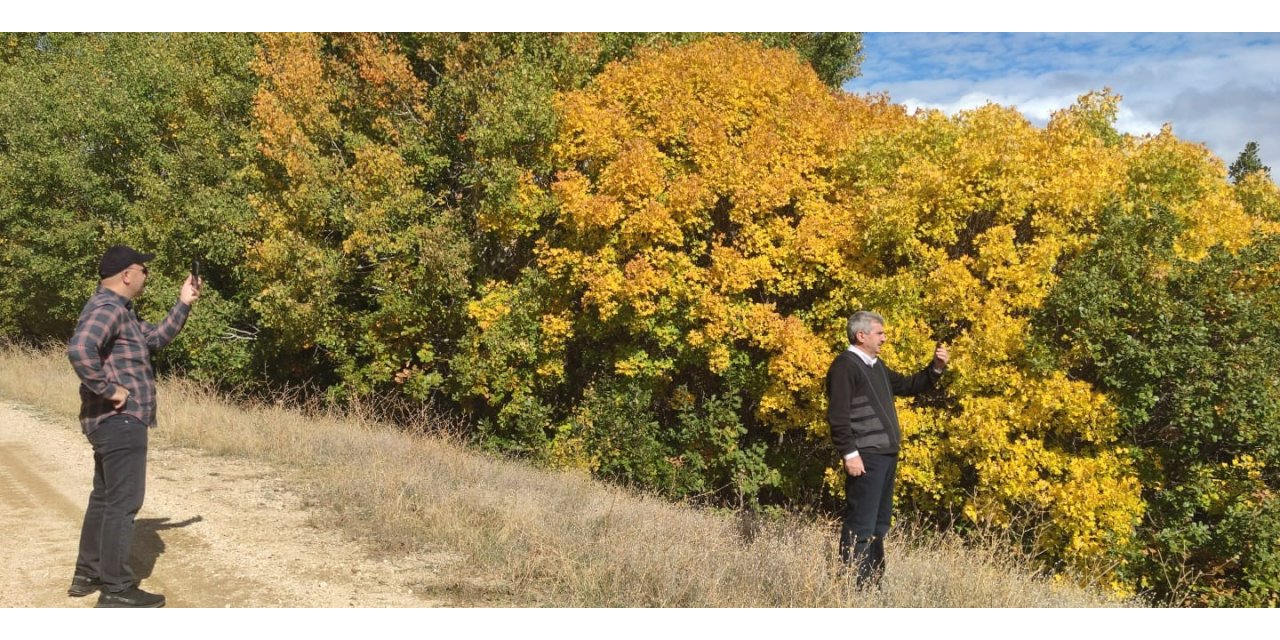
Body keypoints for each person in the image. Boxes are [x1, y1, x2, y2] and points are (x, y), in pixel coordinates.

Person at [66, 245, 200, 608]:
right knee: (123, 503)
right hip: (120, 421)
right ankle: (116, 589)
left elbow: (154, 338)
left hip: (110, 423)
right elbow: (80, 350)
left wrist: (183, 302)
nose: (146, 275)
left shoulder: (120, 312)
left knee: (105, 499)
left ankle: (87, 574)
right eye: (144, 269)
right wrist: (110, 389)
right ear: (127, 275)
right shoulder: (108, 309)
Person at [826, 310, 948, 588]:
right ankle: (851, 586)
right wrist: (849, 454)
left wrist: (936, 368)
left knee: (879, 525)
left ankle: (872, 583)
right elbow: (838, 416)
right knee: (861, 523)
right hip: (865, 457)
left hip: (886, 456)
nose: (884, 338)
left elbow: (907, 385)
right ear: (861, 335)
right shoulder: (845, 366)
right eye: (879, 333)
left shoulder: (875, 365)